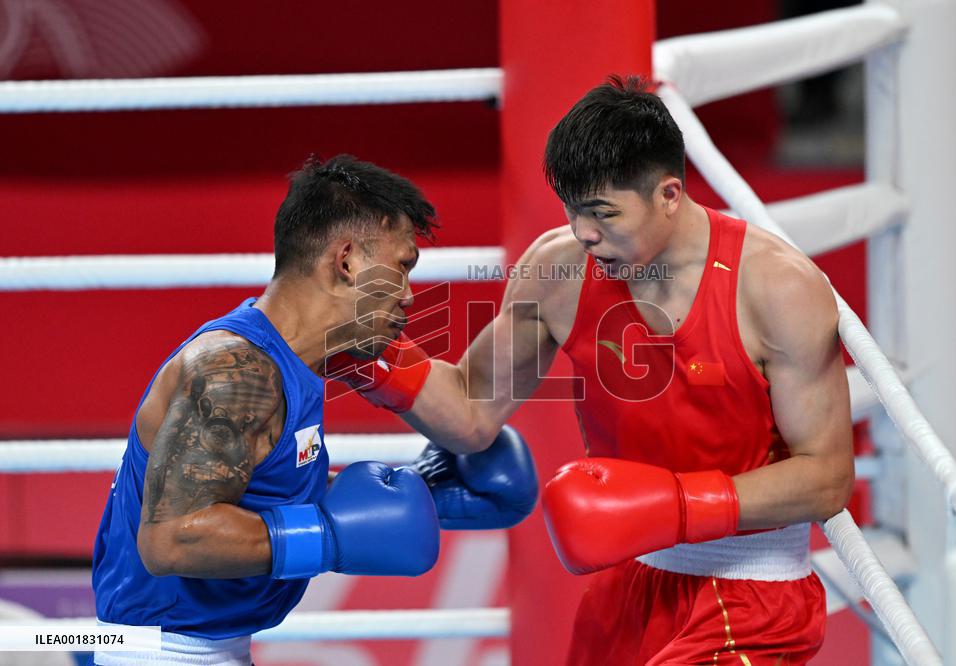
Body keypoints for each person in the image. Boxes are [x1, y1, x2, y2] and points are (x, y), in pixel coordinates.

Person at [333, 76, 855, 665]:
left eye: (603, 213)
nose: (584, 232)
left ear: (669, 195)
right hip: (628, 589)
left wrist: (676, 505)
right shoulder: (559, 271)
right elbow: (472, 409)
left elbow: (827, 477)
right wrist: (361, 353)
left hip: (754, 595)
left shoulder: (777, 287)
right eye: (573, 210)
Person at [89, 154, 538, 666]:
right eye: (402, 266)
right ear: (346, 260)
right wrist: (329, 534)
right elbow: (171, 541)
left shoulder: (304, 359)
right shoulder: (236, 372)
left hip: (210, 650)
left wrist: (422, 496)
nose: (411, 296)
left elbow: (246, 493)